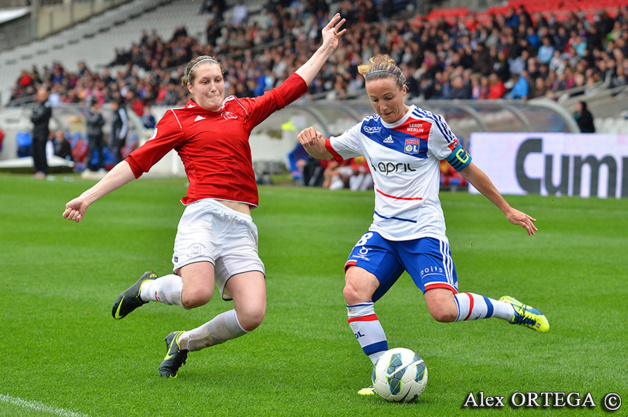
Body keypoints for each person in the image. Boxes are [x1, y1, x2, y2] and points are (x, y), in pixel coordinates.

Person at [62, 14, 346, 378]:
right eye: (206, 82)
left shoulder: (241, 110)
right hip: (203, 216)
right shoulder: (178, 120)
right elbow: (136, 163)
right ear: (191, 88)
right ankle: (147, 288)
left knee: (252, 314)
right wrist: (88, 196)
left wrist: (324, 49)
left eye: (219, 79)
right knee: (196, 294)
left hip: (241, 223)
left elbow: (288, 89)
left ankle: (181, 342)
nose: (215, 87)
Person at [296, 54, 549, 396]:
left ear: (404, 90)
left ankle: (510, 309)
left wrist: (506, 208)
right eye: (375, 100)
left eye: (389, 97)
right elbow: (327, 151)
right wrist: (312, 145)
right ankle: (384, 371)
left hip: (423, 234)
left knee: (443, 311)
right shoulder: (367, 129)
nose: (383, 107)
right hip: (383, 232)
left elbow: (468, 168)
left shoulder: (429, 126)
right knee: (354, 291)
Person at [30, 86, 52, 179]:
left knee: (41, 151)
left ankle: (44, 171)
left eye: (42, 95)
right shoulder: (37, 105)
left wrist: (36, 117)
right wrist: (36, 117)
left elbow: (40, 116)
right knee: (34, 152)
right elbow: (32, 117)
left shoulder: (47, 105)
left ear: (46, 95)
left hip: (42, 132)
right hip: (35, 131)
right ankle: (37, 170)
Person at [85, 97, 106, 172]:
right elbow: (92, 121)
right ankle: (88, 167)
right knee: (91, 151)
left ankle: (101, 167)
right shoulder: (89, 112)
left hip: (99, 134)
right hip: (92, 135)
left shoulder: (98, 113)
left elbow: (103, 122)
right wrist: (97, 115)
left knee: (100, 151)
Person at [110, 98, 129, 163]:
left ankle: (119, 164)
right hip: (115, 134)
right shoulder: (114, 112)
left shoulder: (121, 111)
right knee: (116, 151)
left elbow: (125, 123)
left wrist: (122, 135)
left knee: (118, 151)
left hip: (119, 134)